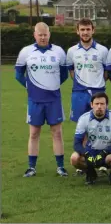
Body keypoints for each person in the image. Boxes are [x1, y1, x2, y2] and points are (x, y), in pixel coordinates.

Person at [15, 22, 70, 177]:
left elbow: (64, 74)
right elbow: (18, 74)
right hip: (35, 100)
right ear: (35, 35)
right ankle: (31, 167)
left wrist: (51, 86)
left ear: (49, 34)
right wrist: (30, 87)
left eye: (45, 34)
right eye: (40, 35)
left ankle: (60, 167)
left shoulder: (59, 52)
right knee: (34, 133)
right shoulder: (26, 52)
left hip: (54, 100)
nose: (43, 37)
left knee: (57, 133)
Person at [70, 92, 111, 185]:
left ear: (107, 105)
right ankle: (90, 173)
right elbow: (77, 144)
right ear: (91, 105)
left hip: (108, 153)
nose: (99, 106)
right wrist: (86, 154)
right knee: (74, 158)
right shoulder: (84, 118)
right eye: (96, 104)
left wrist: (104, 153)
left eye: (102, 104)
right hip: (91, 153)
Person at [67, 18, 109, 123]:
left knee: (99, 125)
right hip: (79, 93)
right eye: (82, 29)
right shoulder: (71, 51)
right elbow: (71, 71)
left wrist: (96, 82)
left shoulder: (103, 50)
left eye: (88, 29)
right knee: (81, 125)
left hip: (98, 92)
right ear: (77, 31)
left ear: (93, 30)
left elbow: (106, 72)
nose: (85, 32)